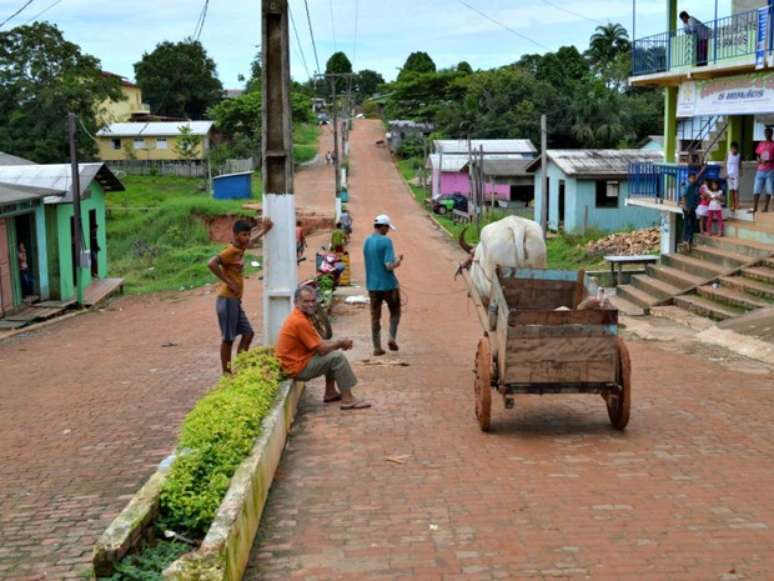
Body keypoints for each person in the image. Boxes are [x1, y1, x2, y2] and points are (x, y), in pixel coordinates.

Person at [276, 286, 371, 410]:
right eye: (306, 301)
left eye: (313, 301)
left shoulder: (302, 316)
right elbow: (321, 349)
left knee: (330, 354)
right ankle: (348, 399)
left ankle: (330, 393)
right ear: (296, 303)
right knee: (337, 358)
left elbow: (318, 344)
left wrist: (337, 344)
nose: (310, 304)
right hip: (295, 367)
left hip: (298, 362)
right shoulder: (299, 321)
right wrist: (339, 344)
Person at [208, 218, 273, 374]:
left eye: (248, 234)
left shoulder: (240, 248)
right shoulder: (230, 251)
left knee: (248, 333)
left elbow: (250, 243)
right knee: (228, 338)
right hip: (227, 300)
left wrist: (264, 230)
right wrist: (229, 282)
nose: (247, 238)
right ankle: (227, 373)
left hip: (235, 301)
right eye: (244, 235)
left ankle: (241, 366)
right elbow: (211, 263)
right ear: (235, 235)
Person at [363, 214, 403, 356]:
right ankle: (392, 337)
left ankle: (377, 347)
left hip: (372, 286)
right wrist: (398, 261)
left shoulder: (366, 241)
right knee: (395, 311)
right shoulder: (386, 241)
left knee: (375, 316)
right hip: (388, 285)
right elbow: (388, 265)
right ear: (384, 226)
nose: (388, 231)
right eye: (388, 228)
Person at [752, 126, 774, 213]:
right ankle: (755, 207)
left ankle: (765, 207)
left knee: (769, 190)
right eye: (765, 133)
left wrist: (769, 160)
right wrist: (758, 159)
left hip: (770, 170)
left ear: (771, 134)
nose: (767, 134)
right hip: (760, 170)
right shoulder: (761, 143)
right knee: (756, 189)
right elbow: (757, 154)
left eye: (768, 133)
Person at [680, 172, 701, 251]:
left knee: (692, 223)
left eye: (694, 178)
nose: (693, 179)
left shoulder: (694, 186)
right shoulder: (687, 185)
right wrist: (686, 207)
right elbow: (683, 196)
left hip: (692, 208)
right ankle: (686, 240)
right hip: (687, 208)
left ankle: (687, 240)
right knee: (688, 224)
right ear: (689, 178)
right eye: (692, 178)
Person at [726, 141, 741, 211]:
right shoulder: (728, 154)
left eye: (735, 149)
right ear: (731, 148)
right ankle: (732, 204)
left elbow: (740, 165)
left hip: (736, 175)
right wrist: (726, 173)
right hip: (729, 175)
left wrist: (741, 172)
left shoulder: (739, 155)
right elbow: (724, 163)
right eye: (733, 148)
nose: (734, 150)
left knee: (736, 189)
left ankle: (737, 204)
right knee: (731, 190)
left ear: (737, 149)